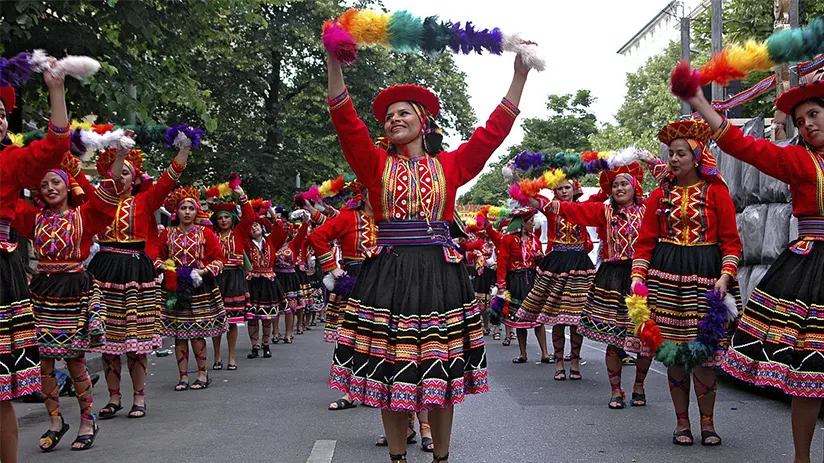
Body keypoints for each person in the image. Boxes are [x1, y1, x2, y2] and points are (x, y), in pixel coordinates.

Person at [326, 49, 529, 463]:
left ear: (423, 122)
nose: (394, 119)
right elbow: (346, 124)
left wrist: (519, 76)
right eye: (389, 116)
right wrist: (334, 64)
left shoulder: (449, 166)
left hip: (439, 274)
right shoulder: (374, 164)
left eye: (404, 113)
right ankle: (398, 458)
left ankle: (442, 457)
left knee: (439, 372)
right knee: (390, 373)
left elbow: (491, 135)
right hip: (390, 274)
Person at [681, 79, 824, 461]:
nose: (807, 124)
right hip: (812, 270)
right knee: (810, 373)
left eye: (814, 114)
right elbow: (742, 145)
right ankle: (802, 458)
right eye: (800, 120)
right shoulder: (797, 160)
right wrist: (698, 99)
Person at [631, 119, 742, 447]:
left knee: (705, 358)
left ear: (697, 157)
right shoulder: (658, 195)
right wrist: (638, 278)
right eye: (671, 154)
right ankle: (682, 423)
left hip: (707, 280)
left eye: (681, 154)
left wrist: (725, 277)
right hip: (666, 280)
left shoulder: (716, 192)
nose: (674, 159)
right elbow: (645, 242)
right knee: (675, 355)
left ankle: (707, 423)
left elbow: (732, 242)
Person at [15, 144, 127, 451]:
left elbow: (107, 193)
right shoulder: (32, 218)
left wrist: (119, 158)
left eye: (56, 182)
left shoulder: (85, 216)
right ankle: (55, 421)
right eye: (44, 184)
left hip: (74, 291)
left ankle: (87, 419)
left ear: (68, 186)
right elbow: (6, 196)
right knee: (44, 363)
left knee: (75, 361)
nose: (50, 188)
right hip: (42, 293)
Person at [528, 158, 665, 407]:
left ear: (635, 187)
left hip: (642, 277)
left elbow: (668, 183)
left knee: (644, 337)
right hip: (612, 277)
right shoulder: (605, 210)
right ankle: (615, 390)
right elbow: (571, 210)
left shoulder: (649, 210)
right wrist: (536, 200)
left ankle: (638, 386)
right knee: (614, 337)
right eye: (615, 185)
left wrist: (650, 159)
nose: (619, 189)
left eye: (624, 184)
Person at [85, 141, 190, 421]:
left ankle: (139, 396)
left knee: (135, 342)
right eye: (115, 172)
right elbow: (74, 179)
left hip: (135, 271)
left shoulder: (145, 200)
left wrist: (184, 150)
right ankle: (113, 397)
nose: (120, 176)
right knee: (106, 340)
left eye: (125, 172)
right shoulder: (97, 201)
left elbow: (170, 178)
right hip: (104, 270)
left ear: (135, 179)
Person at [0, 67, 70, 462]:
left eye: (1, 113)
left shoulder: (10, 160)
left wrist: (56, 89)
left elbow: (55, 145)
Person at [306, 187, 377, 411]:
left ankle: (377, 391)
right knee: (351, 338)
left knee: (381, 339)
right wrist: (333, 269)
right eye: (373, 192)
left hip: (384, 282)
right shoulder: (349, 217)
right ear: (364, 196)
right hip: (354, 283)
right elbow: (317, 236)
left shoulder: (391, 219)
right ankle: (350, 392)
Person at [517, 179, 595, 381]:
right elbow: (531, 198)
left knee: (577, 318)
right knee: (558, 317)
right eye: (559, 188)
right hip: (557, 264)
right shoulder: (551, 208)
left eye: (567, 187)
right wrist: (517, 177)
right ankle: (559, 362)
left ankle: (575, 361)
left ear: (574, 190)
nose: (563, 191)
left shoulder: (584, 208)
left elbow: (606, 196)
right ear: (555, 192)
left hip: (579, 263)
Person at [153, 187, 227, 391]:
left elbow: (220, 259)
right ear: (176, 212)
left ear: (196, 212)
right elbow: (157, 257)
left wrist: (203, 272)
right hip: (174, 287)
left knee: (196, 333)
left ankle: (202, 374)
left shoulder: (206, 234)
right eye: (183, 208)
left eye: (191, 208)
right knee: (179, 334)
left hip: (199, 288)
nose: (187, 212)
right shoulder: (168, 233)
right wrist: (165, 267)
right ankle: (183, 377)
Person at [487, 208, 550, 365]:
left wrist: (540, 259)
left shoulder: (534, 239)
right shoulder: (508, 240)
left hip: (532, 278)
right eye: (530, 222)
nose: (533, 225)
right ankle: (523, 353)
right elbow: (502, 263)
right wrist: (501, 285)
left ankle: (545, 353)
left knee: (538, 318)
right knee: (519, 318)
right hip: (516, 280)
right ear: (522, 223)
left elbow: (539, 260)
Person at [210, 188, 253, 371]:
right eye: (220, 218)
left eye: (226, 217)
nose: (223, 221)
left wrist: (242, 197)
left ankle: (232, 357)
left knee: (233, 321)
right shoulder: (211, 235)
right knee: (216, 320)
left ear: (232, 219)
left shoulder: (238, 233)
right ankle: (217, 356)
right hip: (216, 278)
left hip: (234, 277)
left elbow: (249, 218)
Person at [244, 216, 287, 358]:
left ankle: (266, 344)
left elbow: (280, 229)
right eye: (251, 227)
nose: (254, 228)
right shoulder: (246, 244)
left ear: (262, 228)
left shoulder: (270, 241)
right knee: (253, 316)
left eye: (256, 225)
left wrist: (272, 213)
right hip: (253, 281)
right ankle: (254, 346)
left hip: (268, 281)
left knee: (267, 315)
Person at [273, 216, 309, 344]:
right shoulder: (273, 244)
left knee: (290, 307)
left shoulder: (293, 244)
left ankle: (289, 333)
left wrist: (305, 223)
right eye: (283, 228)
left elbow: (301, 235)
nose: (285, 230)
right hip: (277, 276)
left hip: (290, 277)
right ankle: (275, 332)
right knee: (275, 306)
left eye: (287, 228)